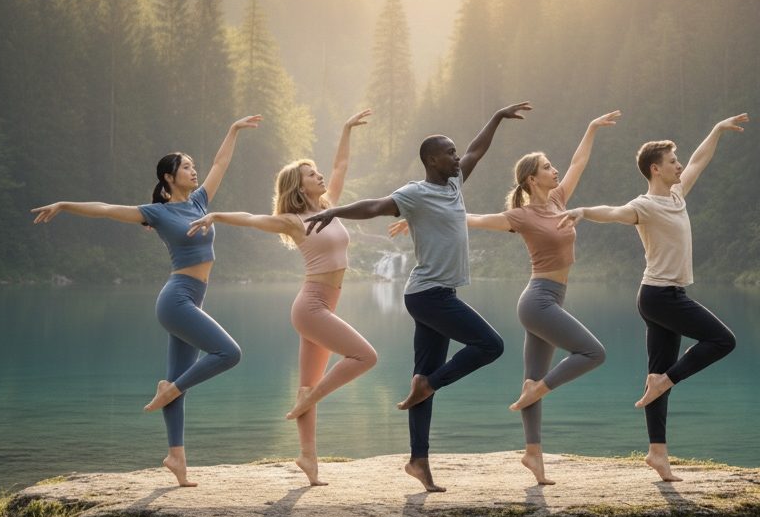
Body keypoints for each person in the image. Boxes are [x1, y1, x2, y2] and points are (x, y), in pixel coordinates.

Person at [306, 101, 532, 492]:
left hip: (436, 294)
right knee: (490, 344)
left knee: (422, 377)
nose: (457, 156)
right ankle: (429, 386)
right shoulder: (415, 194)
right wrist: (336, 210)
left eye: (455, 151)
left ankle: (418, 460)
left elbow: (478, 149)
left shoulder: (456, 181)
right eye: (449, 152)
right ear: (431, 159)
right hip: (428, 296)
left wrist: (495, 117)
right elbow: (376, 205)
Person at [31, 114, 262, 487]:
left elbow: (220, 163)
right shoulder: (157, 212)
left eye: (192, 165)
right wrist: (64, 204)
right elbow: (106, 209)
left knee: (178, 377)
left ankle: (176, 458)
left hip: (192, 301)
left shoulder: (202, 202)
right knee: (229, 354)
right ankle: (169, 390)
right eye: (186, 167)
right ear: (169, 177)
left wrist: (233, 130)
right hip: (177, 301)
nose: (194, 170)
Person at [186, 111, 377, 486]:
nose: (320, 176)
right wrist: (217, 216)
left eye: (317, 172)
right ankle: (309, 402)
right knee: (365, 357)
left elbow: (340, 165)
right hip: (311, 307)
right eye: (311, 174)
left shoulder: (331, 205)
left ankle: (308, 458)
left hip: (323, 305)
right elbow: (253, 218)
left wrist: (344, 128)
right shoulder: (292, 220)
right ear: (298, 185)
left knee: (307, 384)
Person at [563, 114, 748, 482]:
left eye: (677, 160)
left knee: (655, 374)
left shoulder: (677, 195)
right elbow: (614, 213)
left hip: (664, 296)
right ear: (655, 169)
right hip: (660, 297)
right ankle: (668, 382)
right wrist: (583, 211)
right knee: (722, 340)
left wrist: (715, 130)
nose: (679, 165)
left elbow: (699, 160)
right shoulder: (644, 206)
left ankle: (657, 453)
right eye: (671, 162)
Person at [463, 111, 620, 485]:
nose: (555, 171)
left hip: (553, 299)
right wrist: (429, 214)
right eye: (548, 167)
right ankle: (540, 390)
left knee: (531, 378)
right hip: (538, 302)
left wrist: (591, 127)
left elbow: (579, 162)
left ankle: (533, 455)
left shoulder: (559, 200)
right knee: (593, 353)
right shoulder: (522, 215)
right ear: (532, 178)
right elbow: (476, 219)